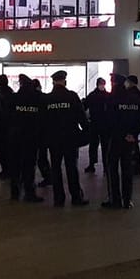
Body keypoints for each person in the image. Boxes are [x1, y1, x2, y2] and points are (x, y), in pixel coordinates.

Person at [43, 70, 88, 206]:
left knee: (56, 168)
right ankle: (76, 197)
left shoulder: (47, 99)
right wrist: (87, 133)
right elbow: (82, 117)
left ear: (53, 82)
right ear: (64, 81)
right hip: (70, 138)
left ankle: (59, 198)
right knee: (71, 168)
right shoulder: (72, 97)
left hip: (53, 139)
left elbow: (42, 121)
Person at [103, 75, 140, 209]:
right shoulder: (133, 98)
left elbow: (109, 120)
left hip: (115, 139)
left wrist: (119, 134)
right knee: (127, 169)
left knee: (112, 169)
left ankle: (114, 200)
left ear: (114, 83)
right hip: (129, 141)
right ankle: (127, 200)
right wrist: (132, 134)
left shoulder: (112, 98)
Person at [7, 74, 45, 203]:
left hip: (15, 137)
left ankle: (14, 192)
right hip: (32, 137)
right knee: (29, 165)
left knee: (15, 164)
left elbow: (6, 116)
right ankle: (29, 192)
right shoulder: (38, 98)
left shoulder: (13, 98)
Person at [83, 78, 112, 173]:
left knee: (104, 146)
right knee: (94, 146)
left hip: (102, 124)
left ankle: (105, 165)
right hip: (96, 123)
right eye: (101, 84)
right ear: (97, 84)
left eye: (103, 84)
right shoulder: (95, 96)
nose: (102, 85)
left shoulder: (106, 95)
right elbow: (84, 106)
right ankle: (93, 164)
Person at [0, 75, 13, 179]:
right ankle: (7, 169)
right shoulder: (9, 93)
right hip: (6, 124)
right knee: (2, 148)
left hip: (3, 125)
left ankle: (7, 169)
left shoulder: (1, 95)